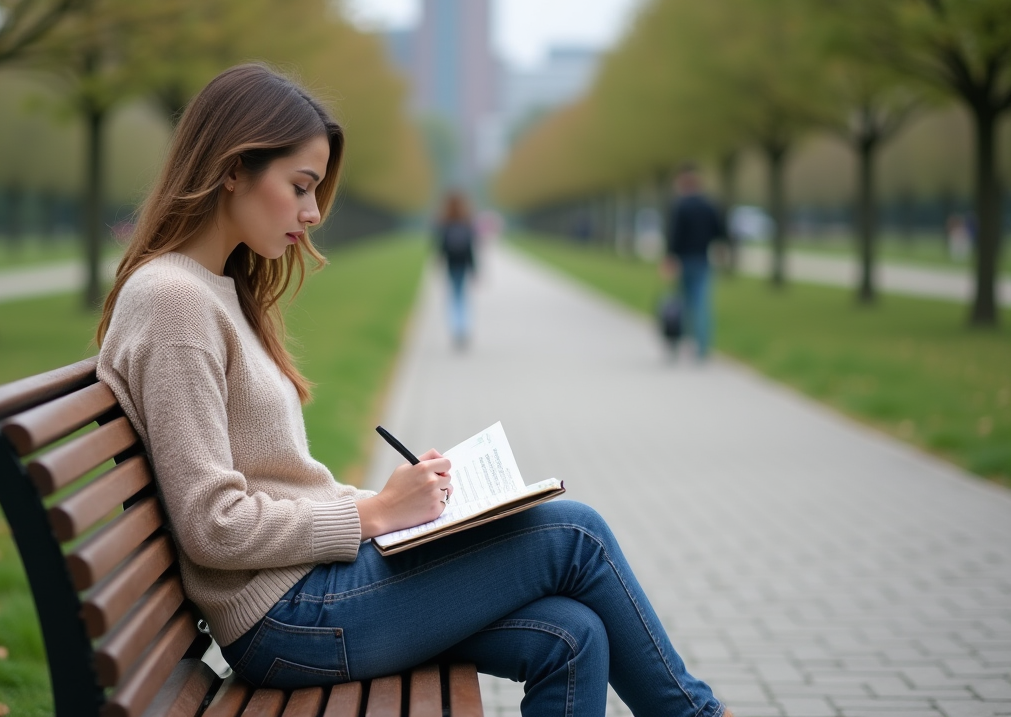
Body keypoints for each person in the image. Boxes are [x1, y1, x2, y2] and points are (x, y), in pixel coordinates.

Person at [96, 64, 732, 717]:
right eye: (300, 187)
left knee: (572, 634)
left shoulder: (214, 290)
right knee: (578, 535)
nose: (312, 214)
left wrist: (400, 506)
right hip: (288, 620)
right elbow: (213, 525)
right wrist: (374, 517)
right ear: (234, 168)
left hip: (310, 597)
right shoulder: (173, 301)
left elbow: (271, 486)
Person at [663, 166, 727, 360]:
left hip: (682, 261)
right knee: (701, 305)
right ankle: (702, 349)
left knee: (681, 304)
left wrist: (669, 258)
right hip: (702, 260)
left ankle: (676, 343)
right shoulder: (709, 205)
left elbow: (674, 236)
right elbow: (720, 232)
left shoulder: (680, 206)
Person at [437, 192, 477, 348]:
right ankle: (463, 328)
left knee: (453, 297)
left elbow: (440, 247)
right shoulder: (466, 222)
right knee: (462, 297)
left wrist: (439, 262)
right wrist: (474, 268)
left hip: (451, 264)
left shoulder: (444, 223)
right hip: (463, 264)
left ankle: (455, 329)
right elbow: (470, 248)